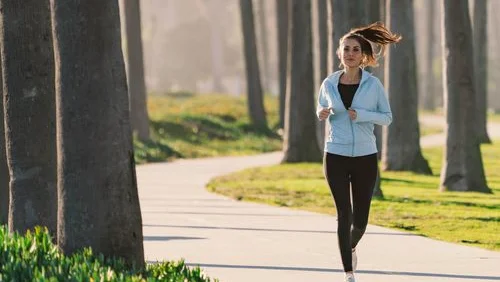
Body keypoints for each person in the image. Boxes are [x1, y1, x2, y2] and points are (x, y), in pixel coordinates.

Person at [316, 22, 401, 282]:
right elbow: (321, 106)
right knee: (344, 213)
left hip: (365, 157)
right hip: (336, 155)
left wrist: (362, 115)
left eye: (355, 49)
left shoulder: (373, 85)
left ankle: (351, 246)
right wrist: (321, 113)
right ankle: (348, 273)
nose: (350, 53)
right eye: (346, 49)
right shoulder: (329, 83)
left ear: (362, 55)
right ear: (339, 54)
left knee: (361, 220)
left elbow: (387, 118)